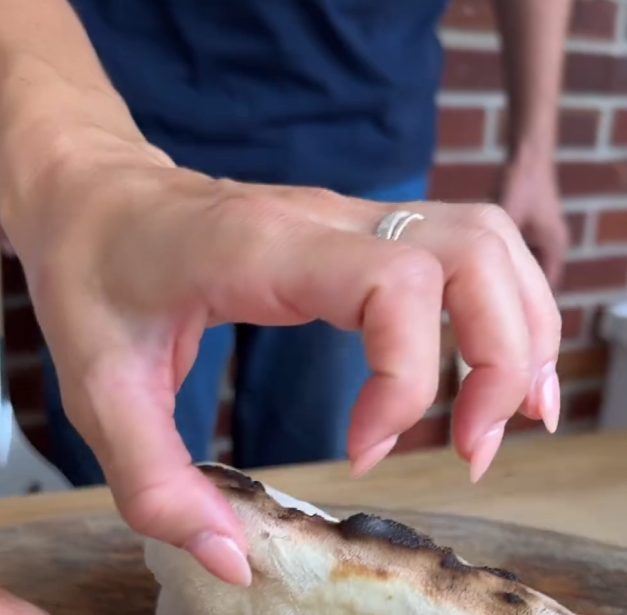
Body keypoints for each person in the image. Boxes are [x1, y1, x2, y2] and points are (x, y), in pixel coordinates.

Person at [0, 0, 565, 615]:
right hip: (134, 104)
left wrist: (536, 144)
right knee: (141, 521)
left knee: (323, 503)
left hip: (363, 138)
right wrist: (79, 166)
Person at [37, 0, 572, 483]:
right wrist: (44, 145)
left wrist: (534, 153)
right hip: (129, 136)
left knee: (317, 482)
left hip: (363, 142)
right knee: (117, 481)